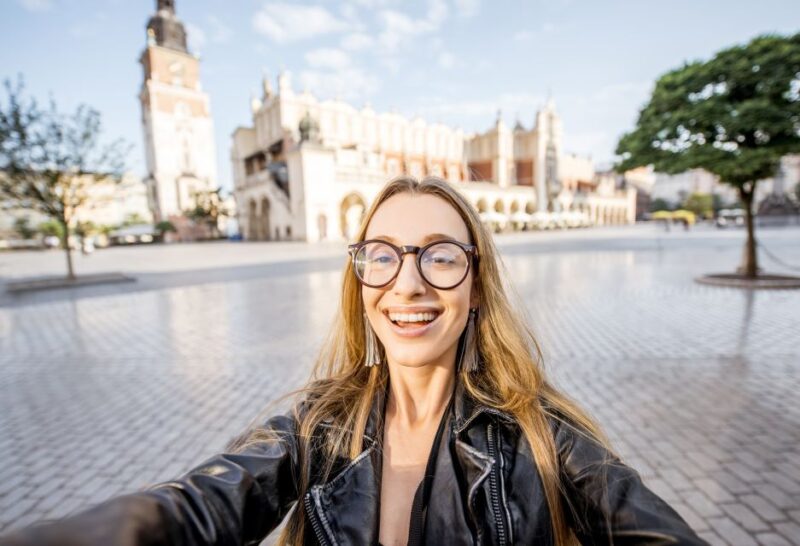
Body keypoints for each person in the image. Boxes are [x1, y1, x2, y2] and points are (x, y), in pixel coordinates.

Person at [0, 176, 705, 546]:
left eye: (440, 255)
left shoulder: (546, 440)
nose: (408, 283)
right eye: (382, 256)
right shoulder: (319, 423)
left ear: (477, 286)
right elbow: (201, 506)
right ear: (360, 278)